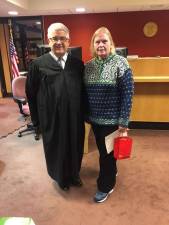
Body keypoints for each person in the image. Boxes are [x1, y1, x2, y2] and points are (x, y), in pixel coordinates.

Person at [26, 22, 85, 191]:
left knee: (75, 145)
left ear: (68, 40)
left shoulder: (77, 64)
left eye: (62, 38)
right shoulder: (38, 65)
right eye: (54, 38)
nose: (59, 42)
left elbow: (83, 92)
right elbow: (31, 94)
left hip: (74, 116)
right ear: (48, 40)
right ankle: (60, 177)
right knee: (57, 147)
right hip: (51, 118)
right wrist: (36, 122)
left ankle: (74, 174)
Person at [84, 27, 134, 203]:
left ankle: (105, 186)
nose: (101, 45)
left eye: (104, 41)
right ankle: (111, 170)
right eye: (97, 42)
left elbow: (127, 94)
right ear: (93, 45)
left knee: (105, 156)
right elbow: (84, 94)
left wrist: (123, 121)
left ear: (111, 43)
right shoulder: (88, 66)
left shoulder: (121, 63)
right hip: (95, 121)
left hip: (112, 121)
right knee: (105, 152)